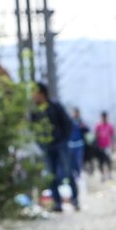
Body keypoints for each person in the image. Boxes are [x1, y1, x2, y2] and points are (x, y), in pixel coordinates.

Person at [30, 82, 77, 212]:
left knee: (68, 172)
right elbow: (33, 129)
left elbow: (67, 123)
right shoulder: (35, 111)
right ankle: (57, 203)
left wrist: (64, 139)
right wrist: (40, 144)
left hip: (60, 144)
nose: (33, 96)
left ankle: (75, 199)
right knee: (51, 175)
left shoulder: (55, 107)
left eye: (35, 92)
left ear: (42, 93)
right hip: (46, 147)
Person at [67, 107, 89, 184]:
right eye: (74, 112)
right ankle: (74, 174)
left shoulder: (81, 122)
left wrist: (83, 127)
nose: (75, 114)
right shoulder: (69, 121)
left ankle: (79, 175)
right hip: (71, 144)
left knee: (78, 160)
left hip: (79, 144)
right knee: (71, 161)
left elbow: (87, 130)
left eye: (77, 112)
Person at [94, 111, 116, 180]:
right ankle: (102, 175)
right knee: (101, 161)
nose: (104, 118)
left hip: (107, 146)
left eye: (105, 117)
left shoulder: (110, 125)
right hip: (100, 146)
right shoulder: (98, 126)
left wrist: (114, 145)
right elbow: (95, 136)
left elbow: (113, 136)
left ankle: (109, 174)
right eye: (103, 117)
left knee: (108, 161)